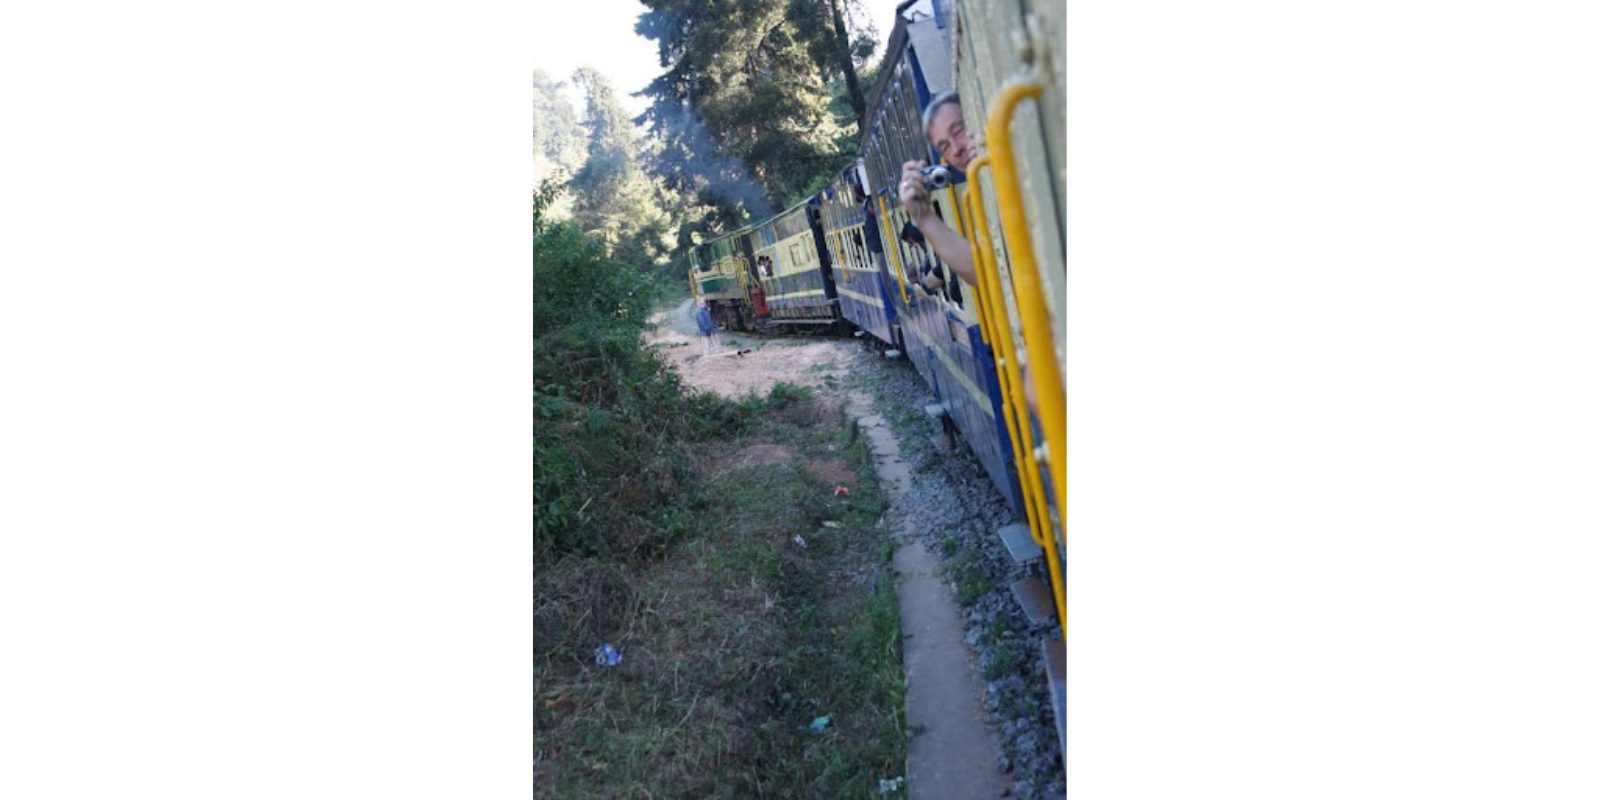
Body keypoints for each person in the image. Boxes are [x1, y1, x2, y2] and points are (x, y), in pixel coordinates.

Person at [898, 91, 978, 289]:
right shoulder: (980, 194)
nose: (956, 149)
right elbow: (985, 272)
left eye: (959, 131)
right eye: (944, 147)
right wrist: (923, 217)